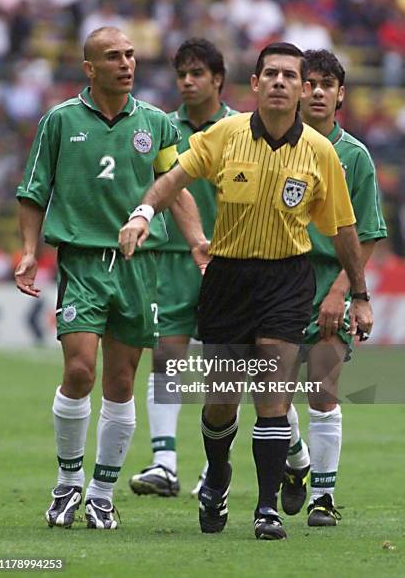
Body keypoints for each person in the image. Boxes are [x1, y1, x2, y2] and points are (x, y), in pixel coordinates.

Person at [119, 42, 373, 541]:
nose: (280, 82)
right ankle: (216, 476)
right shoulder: (226, 134)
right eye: (271, 74)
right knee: (221, 402)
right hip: (228, 278)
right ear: (254, 85)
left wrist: (358, 295)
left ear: (301, 89)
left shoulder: (322, 154)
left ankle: (265, 508)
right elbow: (175, 179)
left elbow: (345, 229)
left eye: (290, 76)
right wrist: (143, 213)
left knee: (273, 394)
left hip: (286, 278)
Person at [14, 26, 204, 530]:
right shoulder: (59, 120)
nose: (126, 63)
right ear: (89, 68)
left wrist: (197, 241)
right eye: (113, 57)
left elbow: (175, 188)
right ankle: (68, 482)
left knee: (121, 382)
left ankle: (100, 491)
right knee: (79, 371)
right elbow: (33, 192)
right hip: (82, 261)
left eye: (131, 55)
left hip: (140, 264)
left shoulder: (157, 124)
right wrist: (31, 252)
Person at [280, 49, 387, 526]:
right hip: (277, 283)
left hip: (328, 284)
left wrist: (343, 291)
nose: (318, 91)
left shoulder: (354, 156)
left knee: (322, 391)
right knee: (272, 397)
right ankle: (297, 459)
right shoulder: (275, 147)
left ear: (340, 94)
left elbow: (368, 233)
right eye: (311, 83)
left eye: (327, 84)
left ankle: (323, 498)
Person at [129, 38, 237, 498]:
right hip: (174, 258)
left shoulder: (241, 128)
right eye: (182, 74)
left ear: (218, 79)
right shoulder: (161, 129)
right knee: (166, 355)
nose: (188, 82)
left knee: (225, 367)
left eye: (197, 73)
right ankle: (164, 463)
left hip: (231, 260)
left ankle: (216, 467)